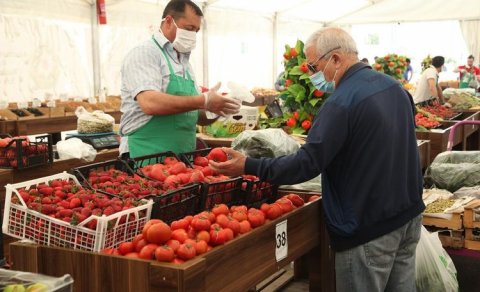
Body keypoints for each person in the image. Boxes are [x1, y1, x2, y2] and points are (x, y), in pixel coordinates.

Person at [210, 27, 424, 292]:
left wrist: (248, 165)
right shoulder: (394, 88)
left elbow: (306, 163)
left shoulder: (341, 103)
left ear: (335, 59)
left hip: (369, 228)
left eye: (313, 66)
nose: (311, 75)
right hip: (408, 216)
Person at [118, 0, 240, 158]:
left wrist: (218, 109)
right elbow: (149, 103)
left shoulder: (185, 65)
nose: (192, 35)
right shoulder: (145, 53)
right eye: (189, 28)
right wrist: (203, 100)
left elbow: (194, 116)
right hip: (144, 155)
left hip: (181, 161)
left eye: (196, 31)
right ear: (169, 21)